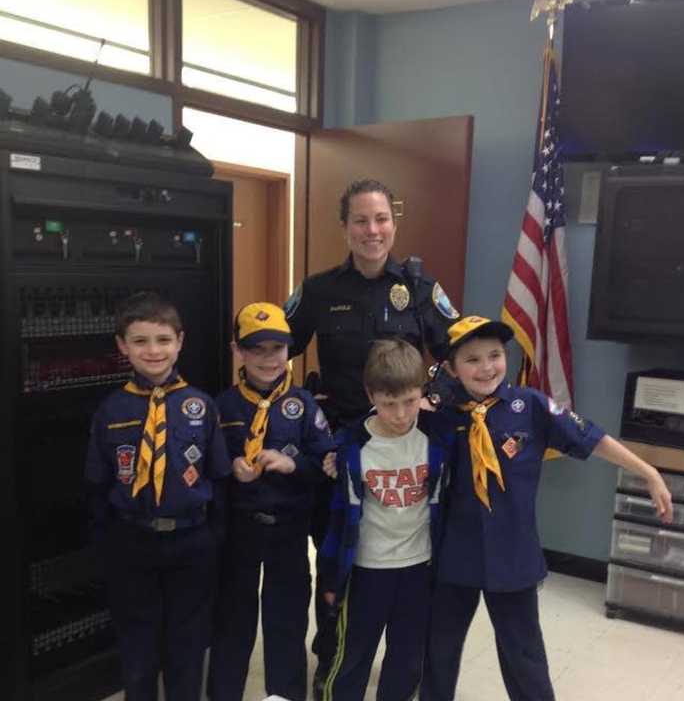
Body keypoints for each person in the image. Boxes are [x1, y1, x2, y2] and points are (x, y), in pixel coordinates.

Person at [420, 316, 674, 701]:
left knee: (524, 655)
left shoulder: (530, 406)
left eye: (495, 355)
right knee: (439, 651)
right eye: (472, 360)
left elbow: (591, 436)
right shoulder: (439, 416)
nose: (487, 367)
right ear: (452, 368)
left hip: (513, 555)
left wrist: (648, 471)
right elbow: (389, 425)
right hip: (455, 553)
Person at [284, 178, 460, 695]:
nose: (372, 230)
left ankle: (403, 661)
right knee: (337, 557)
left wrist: (433, 398)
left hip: (405, 447)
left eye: (380, 219)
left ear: (393, 223)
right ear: (345, 227)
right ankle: (331, 659)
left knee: (405, 555)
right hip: (344, 451)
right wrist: (293, 410)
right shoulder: (318, 290)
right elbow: (275, 348)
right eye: (360, 220)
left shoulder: (420, 289)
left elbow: (458, 353)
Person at [85, 291, 231, 701]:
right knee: (138, 648)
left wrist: (212, 538)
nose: (153, 350)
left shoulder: (201, 406)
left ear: (180, 341)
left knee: (188, 644)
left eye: (163, 340)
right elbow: (97, 484)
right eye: (141, 340)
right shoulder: (110, 411)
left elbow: (218, 479)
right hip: (133, 541)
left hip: (191, 542)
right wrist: (108, 543)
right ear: (122, 346)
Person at [208, 302, 336, 701]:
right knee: (233, 620)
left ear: (289, 351)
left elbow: (326, 464)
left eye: (277, 348)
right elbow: (207, 467)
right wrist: (230, 467)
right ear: (237, 352)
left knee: (287, 619)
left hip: (288, 530)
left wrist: (291, 464)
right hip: (239, 531)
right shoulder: (222, 406)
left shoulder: (304, 405)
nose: (268, 358)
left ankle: (285, 695)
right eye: (256, 348)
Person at [318, 339, 454, 701]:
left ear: (422, 393)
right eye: (388, 404)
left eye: (410, 401)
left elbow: (468, 392)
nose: (400, 414)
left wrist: (436, 398)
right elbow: (338, 521)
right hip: (366, 570)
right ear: (370, 395)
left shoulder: (437, 435)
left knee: (408, 660)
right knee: (351, 658)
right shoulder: (351, 445)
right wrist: (332, 576)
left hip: (418, 568)